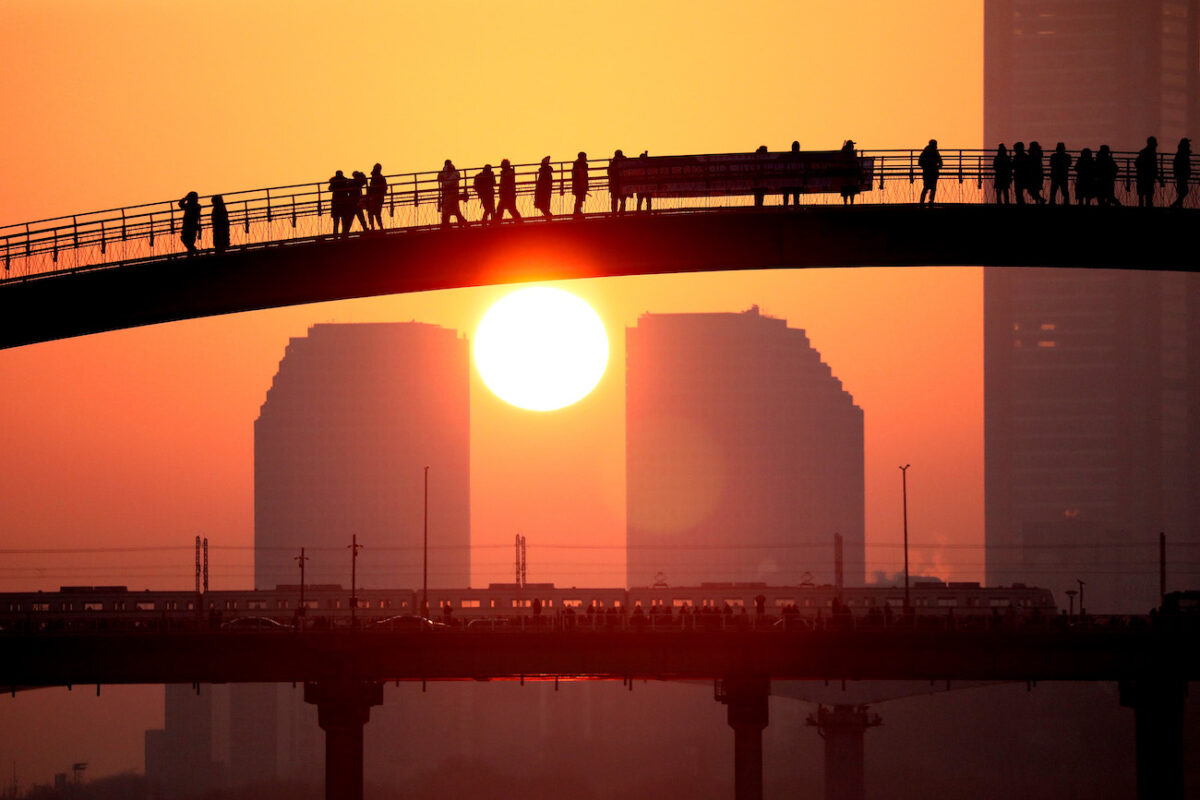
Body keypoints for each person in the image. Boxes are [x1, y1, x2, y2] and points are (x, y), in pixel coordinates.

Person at [437, 159, 467, 227]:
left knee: (448, 210)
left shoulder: (450, 173)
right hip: (451, 194)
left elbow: (447, 182)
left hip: (450, 194)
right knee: (453, 210)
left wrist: (445, 179)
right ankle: (460, 222)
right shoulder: (453, 172)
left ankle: (446, 224)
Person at [496, 159, 522, 223]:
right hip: (507, 194)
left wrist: (503, 189)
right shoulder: (508, 172)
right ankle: (519, 221)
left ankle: (497, 222)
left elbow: (507, 182)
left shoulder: (508, 172)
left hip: (507, 194)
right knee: (510, 209)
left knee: (503, 208)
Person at [1135, 136, 1159, 207]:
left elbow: (1137, 163)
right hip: (1148, 177)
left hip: (1142, 176)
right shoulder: (1152, 153)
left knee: (1142, 195)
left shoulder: (1143, 152)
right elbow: (1154, 166)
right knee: (1148, 195)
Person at [918, 139, 942, 206]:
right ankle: (931, 201)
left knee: (926, 187)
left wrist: (925, 167)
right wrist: (937, 167)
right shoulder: (935, 152)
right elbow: (941, 163)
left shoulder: (925, 152)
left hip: (926, 172)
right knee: (933, 188)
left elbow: (919, 162)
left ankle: (922, 202)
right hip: (934, 172)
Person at [327, 170, 350, 236]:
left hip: (336, 201)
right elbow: (348, 189)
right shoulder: (345, 181)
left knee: (336, 220)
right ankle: (344, 233)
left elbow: (330, 188)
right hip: (344, 201)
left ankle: (335, 234)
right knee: (344, 219)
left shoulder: (334, 181)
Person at [1170, 137, 1191, 209]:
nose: (1189, 145)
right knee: (1184, 191)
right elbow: (1184, 164)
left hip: (1180, 174)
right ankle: (1176, 204)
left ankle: (1178, 204)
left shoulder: (1180, 152)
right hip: (1182, 174)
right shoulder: (1183, 153)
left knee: (1182, 191)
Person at [366, 163, 387, 230]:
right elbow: (384, 187)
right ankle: (380, 227)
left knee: (371, 213)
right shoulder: (380, 177)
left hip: (373, 197)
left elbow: (372, 187)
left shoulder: (374, 177)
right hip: (378, 197)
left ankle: (373, 227)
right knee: (377, 213)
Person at [839, 139, 860, 205]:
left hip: (845, 174)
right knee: (851, 190)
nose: (853, 146)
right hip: (851, 174)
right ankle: (851, 203)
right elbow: (856, 163)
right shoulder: (852, 154)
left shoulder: (844, 153)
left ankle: (846, 203)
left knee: (846, 190)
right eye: (852, 145)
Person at [608, 149, 628, 214]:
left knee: (615, 199)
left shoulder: (613, 162)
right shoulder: (625, 161)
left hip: (615, 183)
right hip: (622, 183)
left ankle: (614, 212)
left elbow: (609, 172)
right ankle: (621, 211)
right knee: (622, 199)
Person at [783, 140, 802, 206]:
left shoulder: (787, 156)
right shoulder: (801, 156)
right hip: (795, 180)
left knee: (787, 193)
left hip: (788, 180)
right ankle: (795, 205)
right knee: (795, 193)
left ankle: (785, 206)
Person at [571, 151, 589, 218]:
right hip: (580, 184)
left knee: (580, 199)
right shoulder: (578, 165)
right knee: (579, 198)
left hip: (581, 184)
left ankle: (578, 211)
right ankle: (577, 211)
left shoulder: (578, 165)